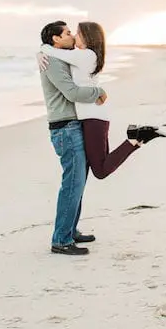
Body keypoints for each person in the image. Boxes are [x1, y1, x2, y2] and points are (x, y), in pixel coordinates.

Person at [38, 21, 166, 182]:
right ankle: (137, 139)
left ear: (86, 37)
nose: (74, 36)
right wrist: (41, 53)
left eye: (77, 33)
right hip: (94, 115)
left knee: (100, 170)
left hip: (93, 117)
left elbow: (56, 53)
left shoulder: (85, 55)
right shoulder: (85, 55)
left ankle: (135, 138)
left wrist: (42, 49)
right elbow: (58, 56)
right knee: (102, 164)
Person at [38, 21, 107, 256]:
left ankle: (70, 229)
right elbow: (72, 92)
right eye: (67, 34)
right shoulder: (53, 61)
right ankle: (61, 240)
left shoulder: (60, 56)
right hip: (65, 128)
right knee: (72, 184)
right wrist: (99, 92)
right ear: (56, 40)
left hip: (74, 125)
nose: (71, 36)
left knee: (78, 184)